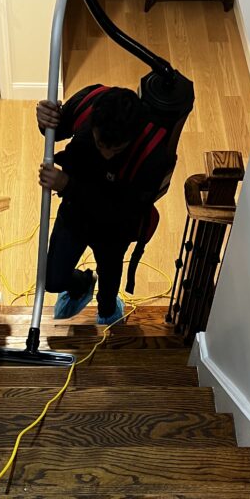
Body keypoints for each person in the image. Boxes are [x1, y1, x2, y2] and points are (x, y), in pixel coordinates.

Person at [36, 84, 168, 323]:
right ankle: (83, 284)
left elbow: (121, 212)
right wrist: (45, 120)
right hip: (75, 214)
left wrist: (67, 185)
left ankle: (108, 310)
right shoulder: (89, 102)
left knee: (108, 287)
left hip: (114, 232)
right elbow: (56, 128)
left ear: (133, 136)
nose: (107, 155)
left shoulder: (152, 154)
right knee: (53, 280)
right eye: (99, 144)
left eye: (116, 149)